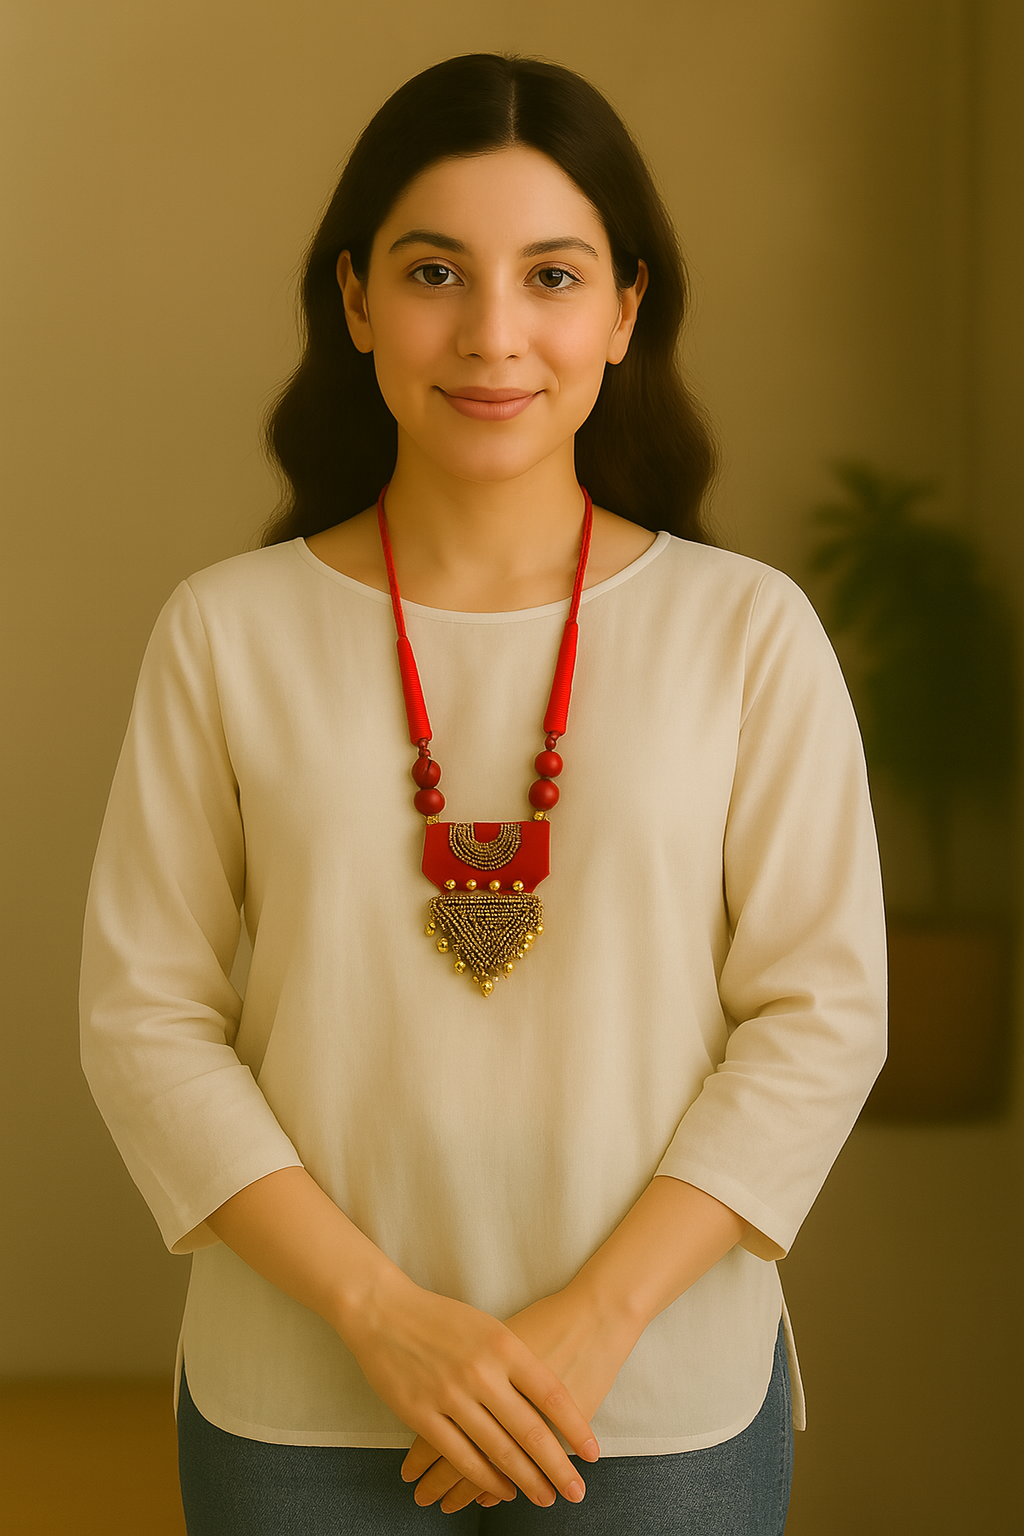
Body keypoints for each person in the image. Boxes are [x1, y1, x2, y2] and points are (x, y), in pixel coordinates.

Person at [79, 51, 887, 1536]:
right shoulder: (224, 629)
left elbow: (822, 1015)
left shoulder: (748, 629)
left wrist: (590, 1325)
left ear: (628, 311)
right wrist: (383, 1317)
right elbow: (144, 1017)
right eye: (437, 270)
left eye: (555, 276)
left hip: (655, 1404)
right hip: (301, 1400)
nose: (495, 335)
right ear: (354, 301)